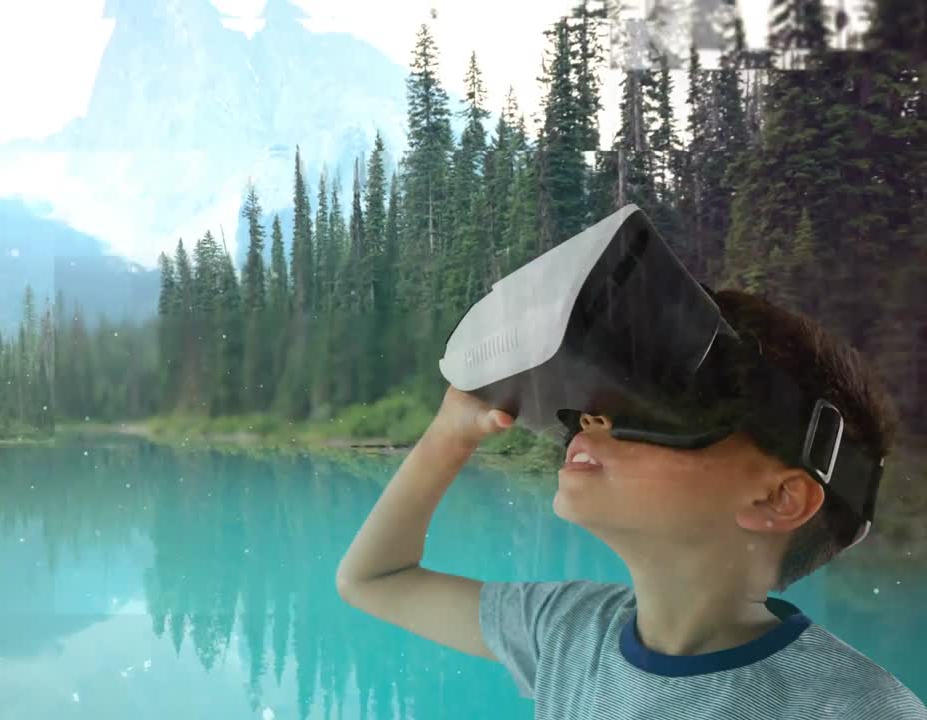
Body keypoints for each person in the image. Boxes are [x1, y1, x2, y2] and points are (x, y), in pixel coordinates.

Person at [335, 287, 927, 719]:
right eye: (601, 398)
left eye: (666, 402)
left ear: (778, 498)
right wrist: (450, 432)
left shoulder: (862, 711)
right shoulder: (567, 628)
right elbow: (374, 580)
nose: (593, 418)